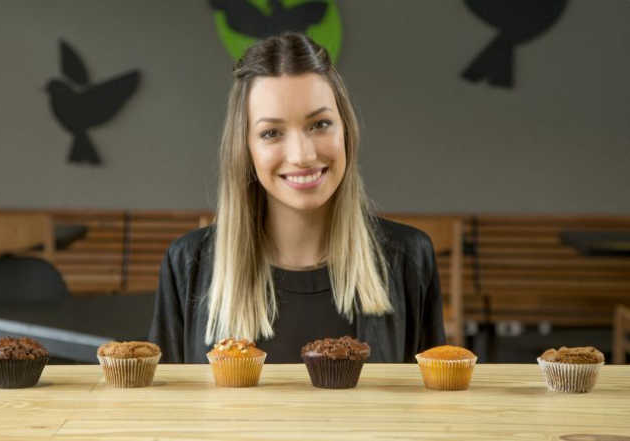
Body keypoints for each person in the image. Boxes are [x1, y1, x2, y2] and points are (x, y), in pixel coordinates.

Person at [149, 32, 445, 364]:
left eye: (320, 124)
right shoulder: (188, 265)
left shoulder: (408, 260)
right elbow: (165, 410)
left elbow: (430, 408)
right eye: (271, 133)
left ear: (345, 131)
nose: (302, 155)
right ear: (245, 148)